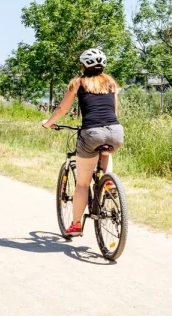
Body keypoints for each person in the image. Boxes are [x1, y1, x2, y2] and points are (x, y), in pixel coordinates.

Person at [42, 48, 124, 236]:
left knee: (82, 184)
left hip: (91, 133)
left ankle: (76, 225)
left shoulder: (78, 82)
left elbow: (63, 108)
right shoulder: (111, 82)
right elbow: (114, 110)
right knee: (106, 149)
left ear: (83, 65)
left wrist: (48, 124)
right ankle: (109, 179)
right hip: (116, 131)